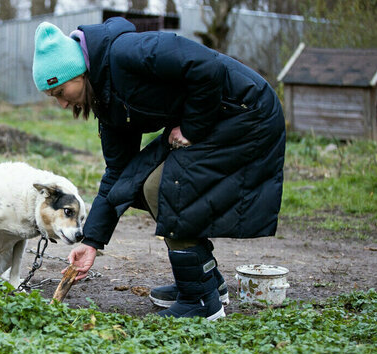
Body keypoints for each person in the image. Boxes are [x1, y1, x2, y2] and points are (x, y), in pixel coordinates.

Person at [32, 17, 286, 319]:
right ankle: (204, 281)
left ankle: (201, 302)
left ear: (78, 72)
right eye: (54, 97)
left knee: (162, 186)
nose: (62, 104)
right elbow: (118, 172)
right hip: (214, 118)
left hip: (245, 112)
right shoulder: (106, 98)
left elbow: (208, 67)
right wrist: (92, 242)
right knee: (135, 184)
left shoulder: (129, 52)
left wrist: (191, 127)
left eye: (61, 92)